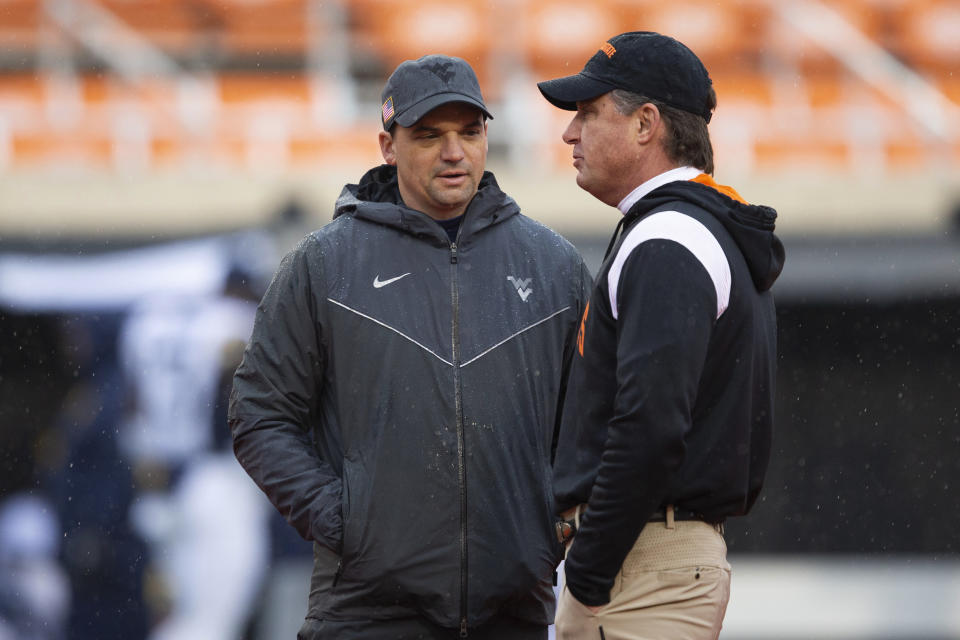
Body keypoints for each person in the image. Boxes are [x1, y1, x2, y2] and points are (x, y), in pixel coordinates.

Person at [229, 54, 592, 639]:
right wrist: (346, 520)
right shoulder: (324, 265)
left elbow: (591, 422)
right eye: (429, 135)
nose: (455, 152)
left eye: (469, 132)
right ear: (388, 145)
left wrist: (547, 525)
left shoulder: (554, 266)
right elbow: (259, 414)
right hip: (366, 610)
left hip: (514, 609)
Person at [537, 32, 785, 639]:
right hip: (655, 557)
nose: (570, 134)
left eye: (589, 114)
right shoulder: (693, 228)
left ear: (646, 123)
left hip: (639, 567)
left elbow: (650, 425)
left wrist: (589, 579)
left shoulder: (670, 236)